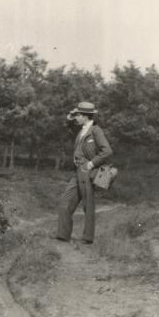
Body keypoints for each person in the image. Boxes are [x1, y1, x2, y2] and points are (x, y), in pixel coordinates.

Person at [56, 101, 113, 244]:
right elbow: (69, 125)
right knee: (65, 201)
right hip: (78, 172)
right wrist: (70, 117)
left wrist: (91, 164)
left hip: (88, 172)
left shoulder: (95, 130)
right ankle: (63, 235)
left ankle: (87, 238)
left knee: (88, 205)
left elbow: (107, 151)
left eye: (78, 115)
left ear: (86, 116)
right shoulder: (81, 129)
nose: (76, 118)